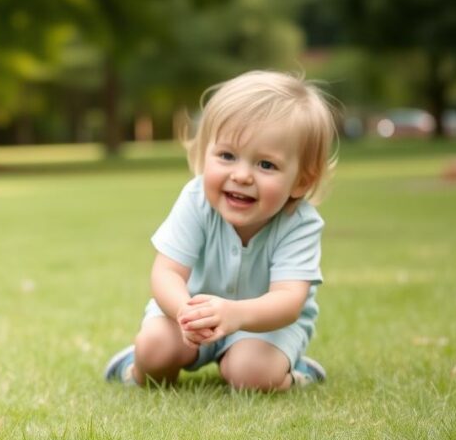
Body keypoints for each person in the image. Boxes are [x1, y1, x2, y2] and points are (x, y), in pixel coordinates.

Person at [104, 70, 337, 391]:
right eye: (227, 156)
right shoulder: (196, 200)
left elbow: (288, 300)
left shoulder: (299, 223)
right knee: (155, 351)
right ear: (204, 154)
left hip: (262, 326)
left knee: (252, 375)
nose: (241, 175)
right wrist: (185, 311)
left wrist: (235, 315)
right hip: (189, 315)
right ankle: (134, 366)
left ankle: (293, 371)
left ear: (301, 181)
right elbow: (166, 273)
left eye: (266, 165)